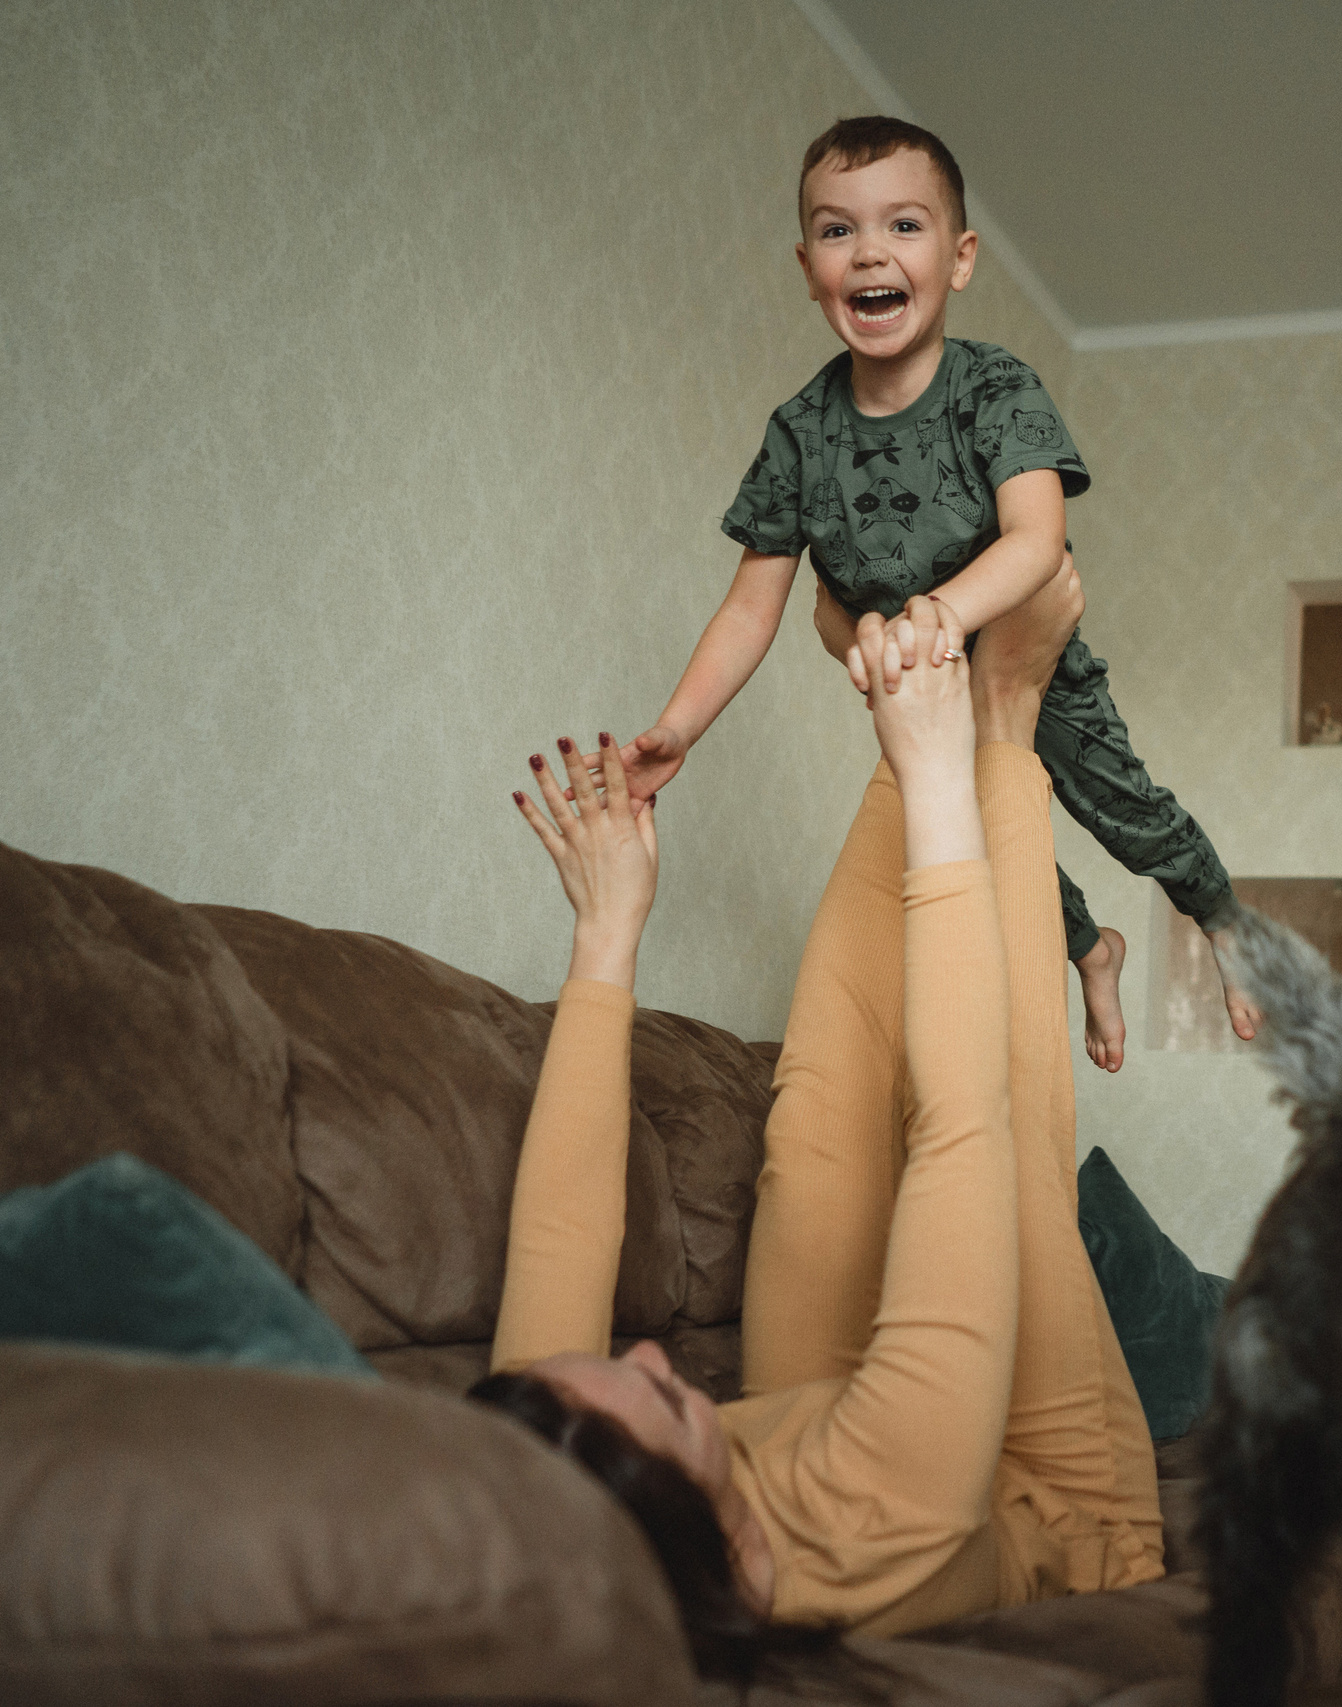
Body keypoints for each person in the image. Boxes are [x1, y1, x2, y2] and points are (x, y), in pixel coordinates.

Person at [469, 603, 1162, 1683]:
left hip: (822, 1428)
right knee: (1013, 1150)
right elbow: (961, 1127)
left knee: (810, 1128)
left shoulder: (562, 1476)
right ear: (694, 1525)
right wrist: (951, 779)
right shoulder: (878, 1513)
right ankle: (1002, 708)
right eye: (658, 1395)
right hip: (1055, 1501)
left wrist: (606, 930)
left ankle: (925, 663)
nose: (646, 1356)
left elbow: (560, 1230)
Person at [593, 113, 1258, 1074]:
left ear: (960, 258)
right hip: (920, 685)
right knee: (980, 840)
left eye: (904, 225)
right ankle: (1088, 947)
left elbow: (1038, 539)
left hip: (1029, 661)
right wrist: (678, 728)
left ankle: (1221, 916)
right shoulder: (797, 432)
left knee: (1119, 806)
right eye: (838, 230)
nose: (870, 250)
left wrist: (946, 611)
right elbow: (752, 605)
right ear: (808, 263)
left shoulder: (995, 389)